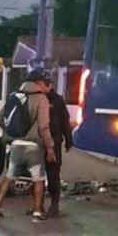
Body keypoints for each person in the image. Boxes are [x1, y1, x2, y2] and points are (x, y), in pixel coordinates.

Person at [0, 68, 56, 222]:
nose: (49, 86)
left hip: (16, 145)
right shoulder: (41, 99)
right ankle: (38, 211)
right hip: (33, 147)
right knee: (38, 178)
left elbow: (0, 117)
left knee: (9, 176)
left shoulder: (14, 96)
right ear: (38, 83)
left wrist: (12, 132)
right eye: (47, 83)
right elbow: (43, 126)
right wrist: (50, 147)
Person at [46, 85, 74, 218]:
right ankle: (38, 206)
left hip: (55, 142)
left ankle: (54, 204)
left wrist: (69, 140)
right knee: (37, 176)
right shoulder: (37, 98)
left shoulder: (57, 100)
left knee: (53, 175)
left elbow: (65, 121)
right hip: (40, 142)